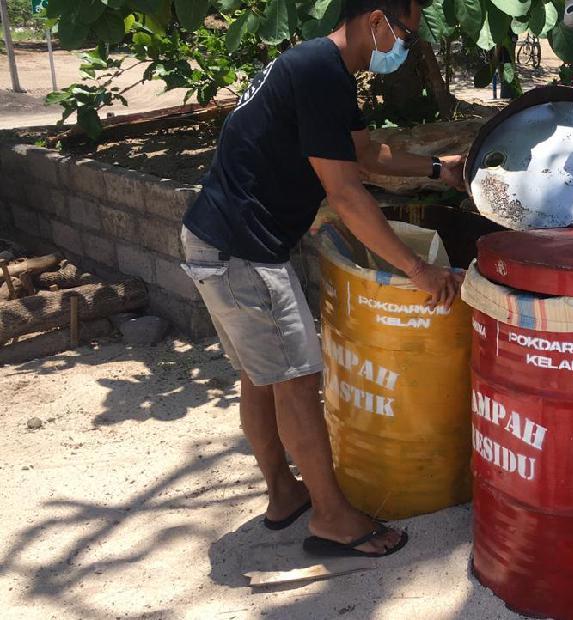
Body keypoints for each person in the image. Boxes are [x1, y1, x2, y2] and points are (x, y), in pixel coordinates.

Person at [179, 0, 463, 558]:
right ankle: (332, 518)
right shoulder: (320, 70)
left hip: (217, 239)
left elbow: (357, 152)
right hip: (243, 249)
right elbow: (345, 193)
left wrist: (436, 169)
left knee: (263, 377)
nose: (406, 45)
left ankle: (285, 495)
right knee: (296, 379)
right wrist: (417, 269)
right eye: (406, 31)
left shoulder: (316, 66)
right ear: (377, 18)